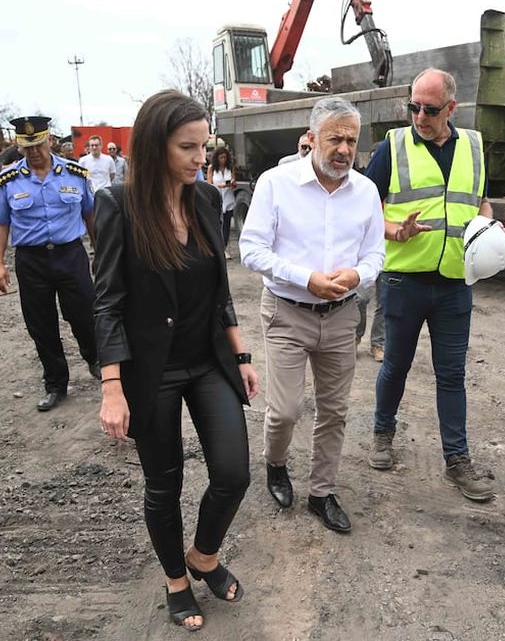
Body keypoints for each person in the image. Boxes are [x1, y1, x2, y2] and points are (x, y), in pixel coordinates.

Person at [93, 90, 260, 631]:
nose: (199, 158)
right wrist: (112, 386)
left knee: (234, 472)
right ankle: (175, 580)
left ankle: (203, 556)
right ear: (154, 145)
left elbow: (219, 290)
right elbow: (108, 302)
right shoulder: (118, 205)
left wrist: (241, 355)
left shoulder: (207, 200)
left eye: (203, 146)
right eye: (187, 147)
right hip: (151, 371)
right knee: (162, 486)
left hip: (206, 361)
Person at [240, 96, 384, 533]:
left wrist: (357, 274)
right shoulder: (275, 183)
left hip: (342, 314)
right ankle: (276, 463)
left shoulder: (365, 192)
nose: (344, 149)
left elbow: (377, 253)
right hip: (287, 311)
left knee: (334, 410)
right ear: (311, 138)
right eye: (334, 138)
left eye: (351, 140)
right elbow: (251, 250)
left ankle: (322, 492)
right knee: (284, 410)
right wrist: (306, 279)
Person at [364, 68, 495, 502]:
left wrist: (488, 227)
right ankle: (383, 433)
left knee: (452, 375)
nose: (420, 116)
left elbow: (480, 201)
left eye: (430, 109)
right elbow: (362, 209)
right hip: (404, 281)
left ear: (451, 109)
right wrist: (393, 231)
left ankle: (457, 459)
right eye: (414, 106)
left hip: (456, 282)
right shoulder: (394, 146)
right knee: (395, 366)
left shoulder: (474, 147)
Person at [0, 116, 99, 412]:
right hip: (32, 261)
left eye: (37, 145)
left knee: (85, 313)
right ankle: (56, 384)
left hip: (70, 256)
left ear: (49, 141)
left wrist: (101, 253)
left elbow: (91, 216)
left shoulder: (75, 174)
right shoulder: (7, 181)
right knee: (41, 325)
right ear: (19, 147)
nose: (33, 152)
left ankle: (95, 359)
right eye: (26, 147)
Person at [206, 147, 236, 260]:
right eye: (221, 157)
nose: (223, 159)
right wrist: (219, 185)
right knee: (217, 224)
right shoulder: (212, 168)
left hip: (228, 199)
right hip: (217, 199)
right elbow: (209, 184)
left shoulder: (230, 168)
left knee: (227, 225)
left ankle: (224, 248)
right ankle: (217, 247)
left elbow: (234, 181)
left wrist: (231, 184)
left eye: (225, 157)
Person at [355, 274, 385, 361]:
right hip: (366, 263)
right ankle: (355, 338)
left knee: (384, 302)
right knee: (360, 299)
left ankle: (378, 343)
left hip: (385, 264)